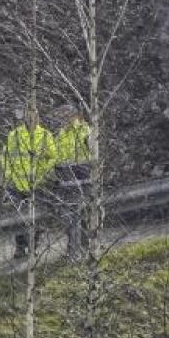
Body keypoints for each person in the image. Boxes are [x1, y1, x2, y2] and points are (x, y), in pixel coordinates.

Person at [1, 106, 58, 259]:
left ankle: (34, 246)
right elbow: (5, 156)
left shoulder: (46, 135)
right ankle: (20, 248)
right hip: (18, 184)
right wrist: (9, 175)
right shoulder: (14, 135)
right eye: (28, 116)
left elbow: (53, 156)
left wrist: (43, 172)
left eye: (34, 116)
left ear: (38, 117)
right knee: (19, 218)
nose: (31, 119)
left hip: (37, 184)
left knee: (37, 217)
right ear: (25, 117)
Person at [54, 107, 93, 258]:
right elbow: (58, 158)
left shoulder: (85, 131)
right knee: (71, 218)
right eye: (62, 116)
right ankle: (73, 250)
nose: (64, 118)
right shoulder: (61, 134)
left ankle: (85, 248)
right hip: (68, 184)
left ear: (76, 115)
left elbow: (93, 155)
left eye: (67, 115)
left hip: (84, 181)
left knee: (83, 216)